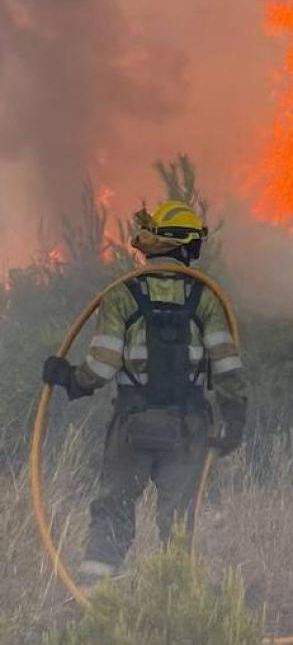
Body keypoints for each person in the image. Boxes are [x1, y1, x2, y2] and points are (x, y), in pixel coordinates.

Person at [42, 200, 247, 583]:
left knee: (114, 511)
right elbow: (227, 368)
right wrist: (234, 421)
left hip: (132, 426)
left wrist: (68, 377)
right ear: (186, 247)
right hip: (187, 429)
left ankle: (93, 597)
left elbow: (99, 369)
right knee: (177, 522)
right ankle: (173, 602)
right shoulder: (205, 298)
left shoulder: (123, 294)